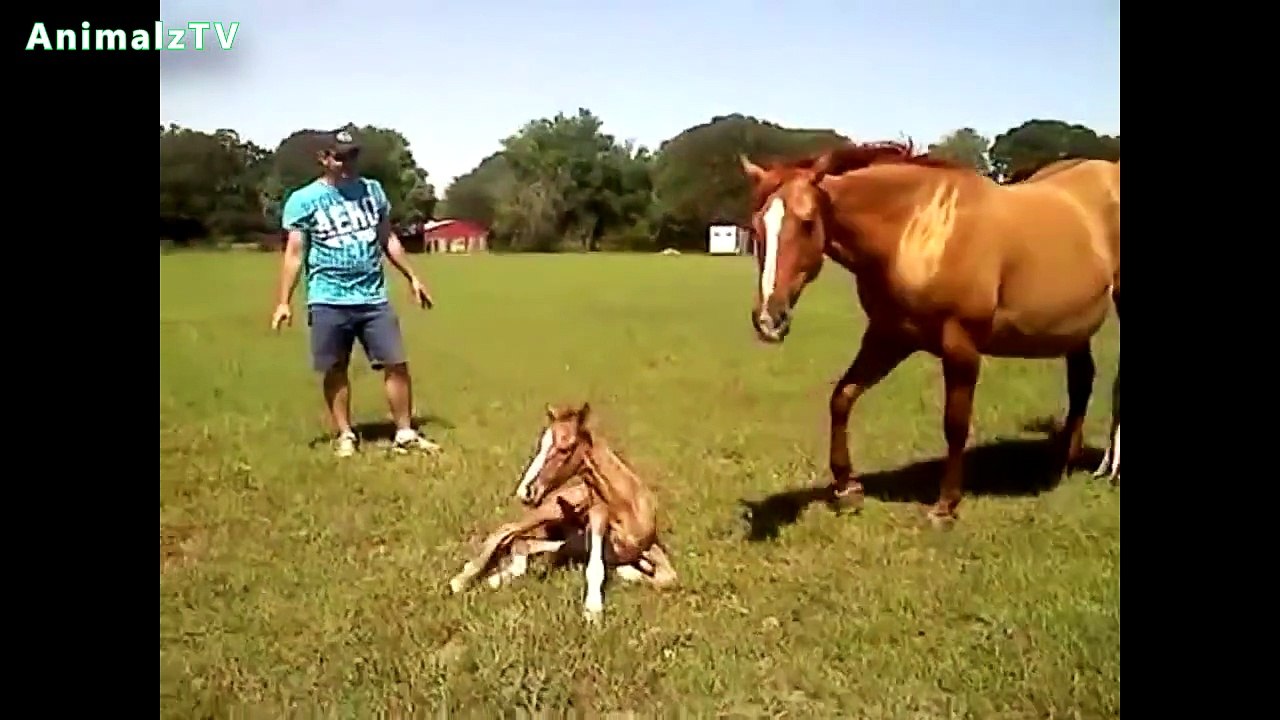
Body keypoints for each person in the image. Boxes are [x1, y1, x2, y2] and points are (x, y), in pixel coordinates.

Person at [270, 129, 441, 458]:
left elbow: (387, 238)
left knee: (396, 362)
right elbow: (294, 252)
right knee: (335, 368)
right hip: (328, 298)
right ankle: (346, 434)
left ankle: (405, 432)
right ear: (323, 159)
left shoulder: (372, 191)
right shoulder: (303, 200)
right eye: (340, 156)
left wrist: (412, 277)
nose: (348, 163)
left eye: (352, 155)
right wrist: (283, 302)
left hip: (373, 296)